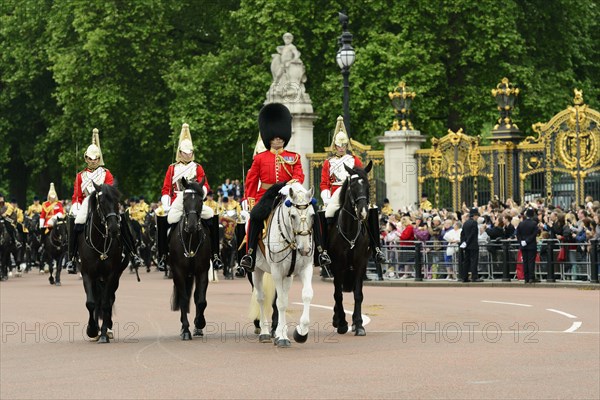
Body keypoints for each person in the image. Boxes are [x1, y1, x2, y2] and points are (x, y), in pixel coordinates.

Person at [240, 102, 330, 272]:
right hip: (265, 195)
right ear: (269, 138)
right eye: (274, 137)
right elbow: (251, 181)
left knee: (313, 211)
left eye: (280, 137)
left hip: (287, 195)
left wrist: (290, 184)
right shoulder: (260, 158)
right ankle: (250, 254)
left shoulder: (293, 157)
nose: (278, 139)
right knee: (255, 217)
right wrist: (250, 200)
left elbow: (299, 175)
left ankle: (319, 251)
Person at [66, 129, 139, 273]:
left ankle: (132, 252)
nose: (93, 162)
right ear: (86, 159)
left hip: (105, 202)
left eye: (95, 159)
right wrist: (76, 205)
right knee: (74, 221)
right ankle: (72, 257)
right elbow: (77, 195)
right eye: (90, 159)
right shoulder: (80, 176)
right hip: (87, 202)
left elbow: (111, 191)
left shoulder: (106, 173)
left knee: (121, 219)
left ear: (99, 159)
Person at [320, 116, 387, 264]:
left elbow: (361, 177)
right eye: (339, 145)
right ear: (335, 146)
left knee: (372, 211)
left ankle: (376, 248)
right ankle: (324, 250)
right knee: (326, 213)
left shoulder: (354, 160)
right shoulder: (328, 162)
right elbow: (324, 183)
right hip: (336, 194)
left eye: (344, 145)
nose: (342, 148)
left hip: (353, 192)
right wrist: (326, 198)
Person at [158, 123, 224, 271]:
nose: (188, 155)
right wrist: (166, 203)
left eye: (190, 153)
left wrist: (202, 194)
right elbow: (166, 188)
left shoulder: (198, 167)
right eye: (185, 153)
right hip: (178, 201)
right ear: (180, 153)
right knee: (165, 218)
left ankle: (215, 254)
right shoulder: (172, 168)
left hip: (194, 201)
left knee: (212, 216)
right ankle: (162, 255)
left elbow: (205, 185)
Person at [516, 208, 540, 283]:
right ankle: (531, 277)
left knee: (525, 261)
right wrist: (527, 241)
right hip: (531, 245)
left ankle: (526, 277)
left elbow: (518, 234)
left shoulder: (521, 223)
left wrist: (521, 242)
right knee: (531, 262)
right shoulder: (534, 223)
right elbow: (534, 234)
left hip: (523, 245)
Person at [459, 207, 483, 282]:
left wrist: (464, 242)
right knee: (474, 261)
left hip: (466, 245)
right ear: (474, 215)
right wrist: (467, 242)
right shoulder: (474, 223)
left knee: (466, 261)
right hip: (473, 245)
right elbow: (472, 234)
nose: (477, 217)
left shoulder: (465, 223)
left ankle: (464, 277)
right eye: (477, 216)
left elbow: (462, 234)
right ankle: (474, 277)